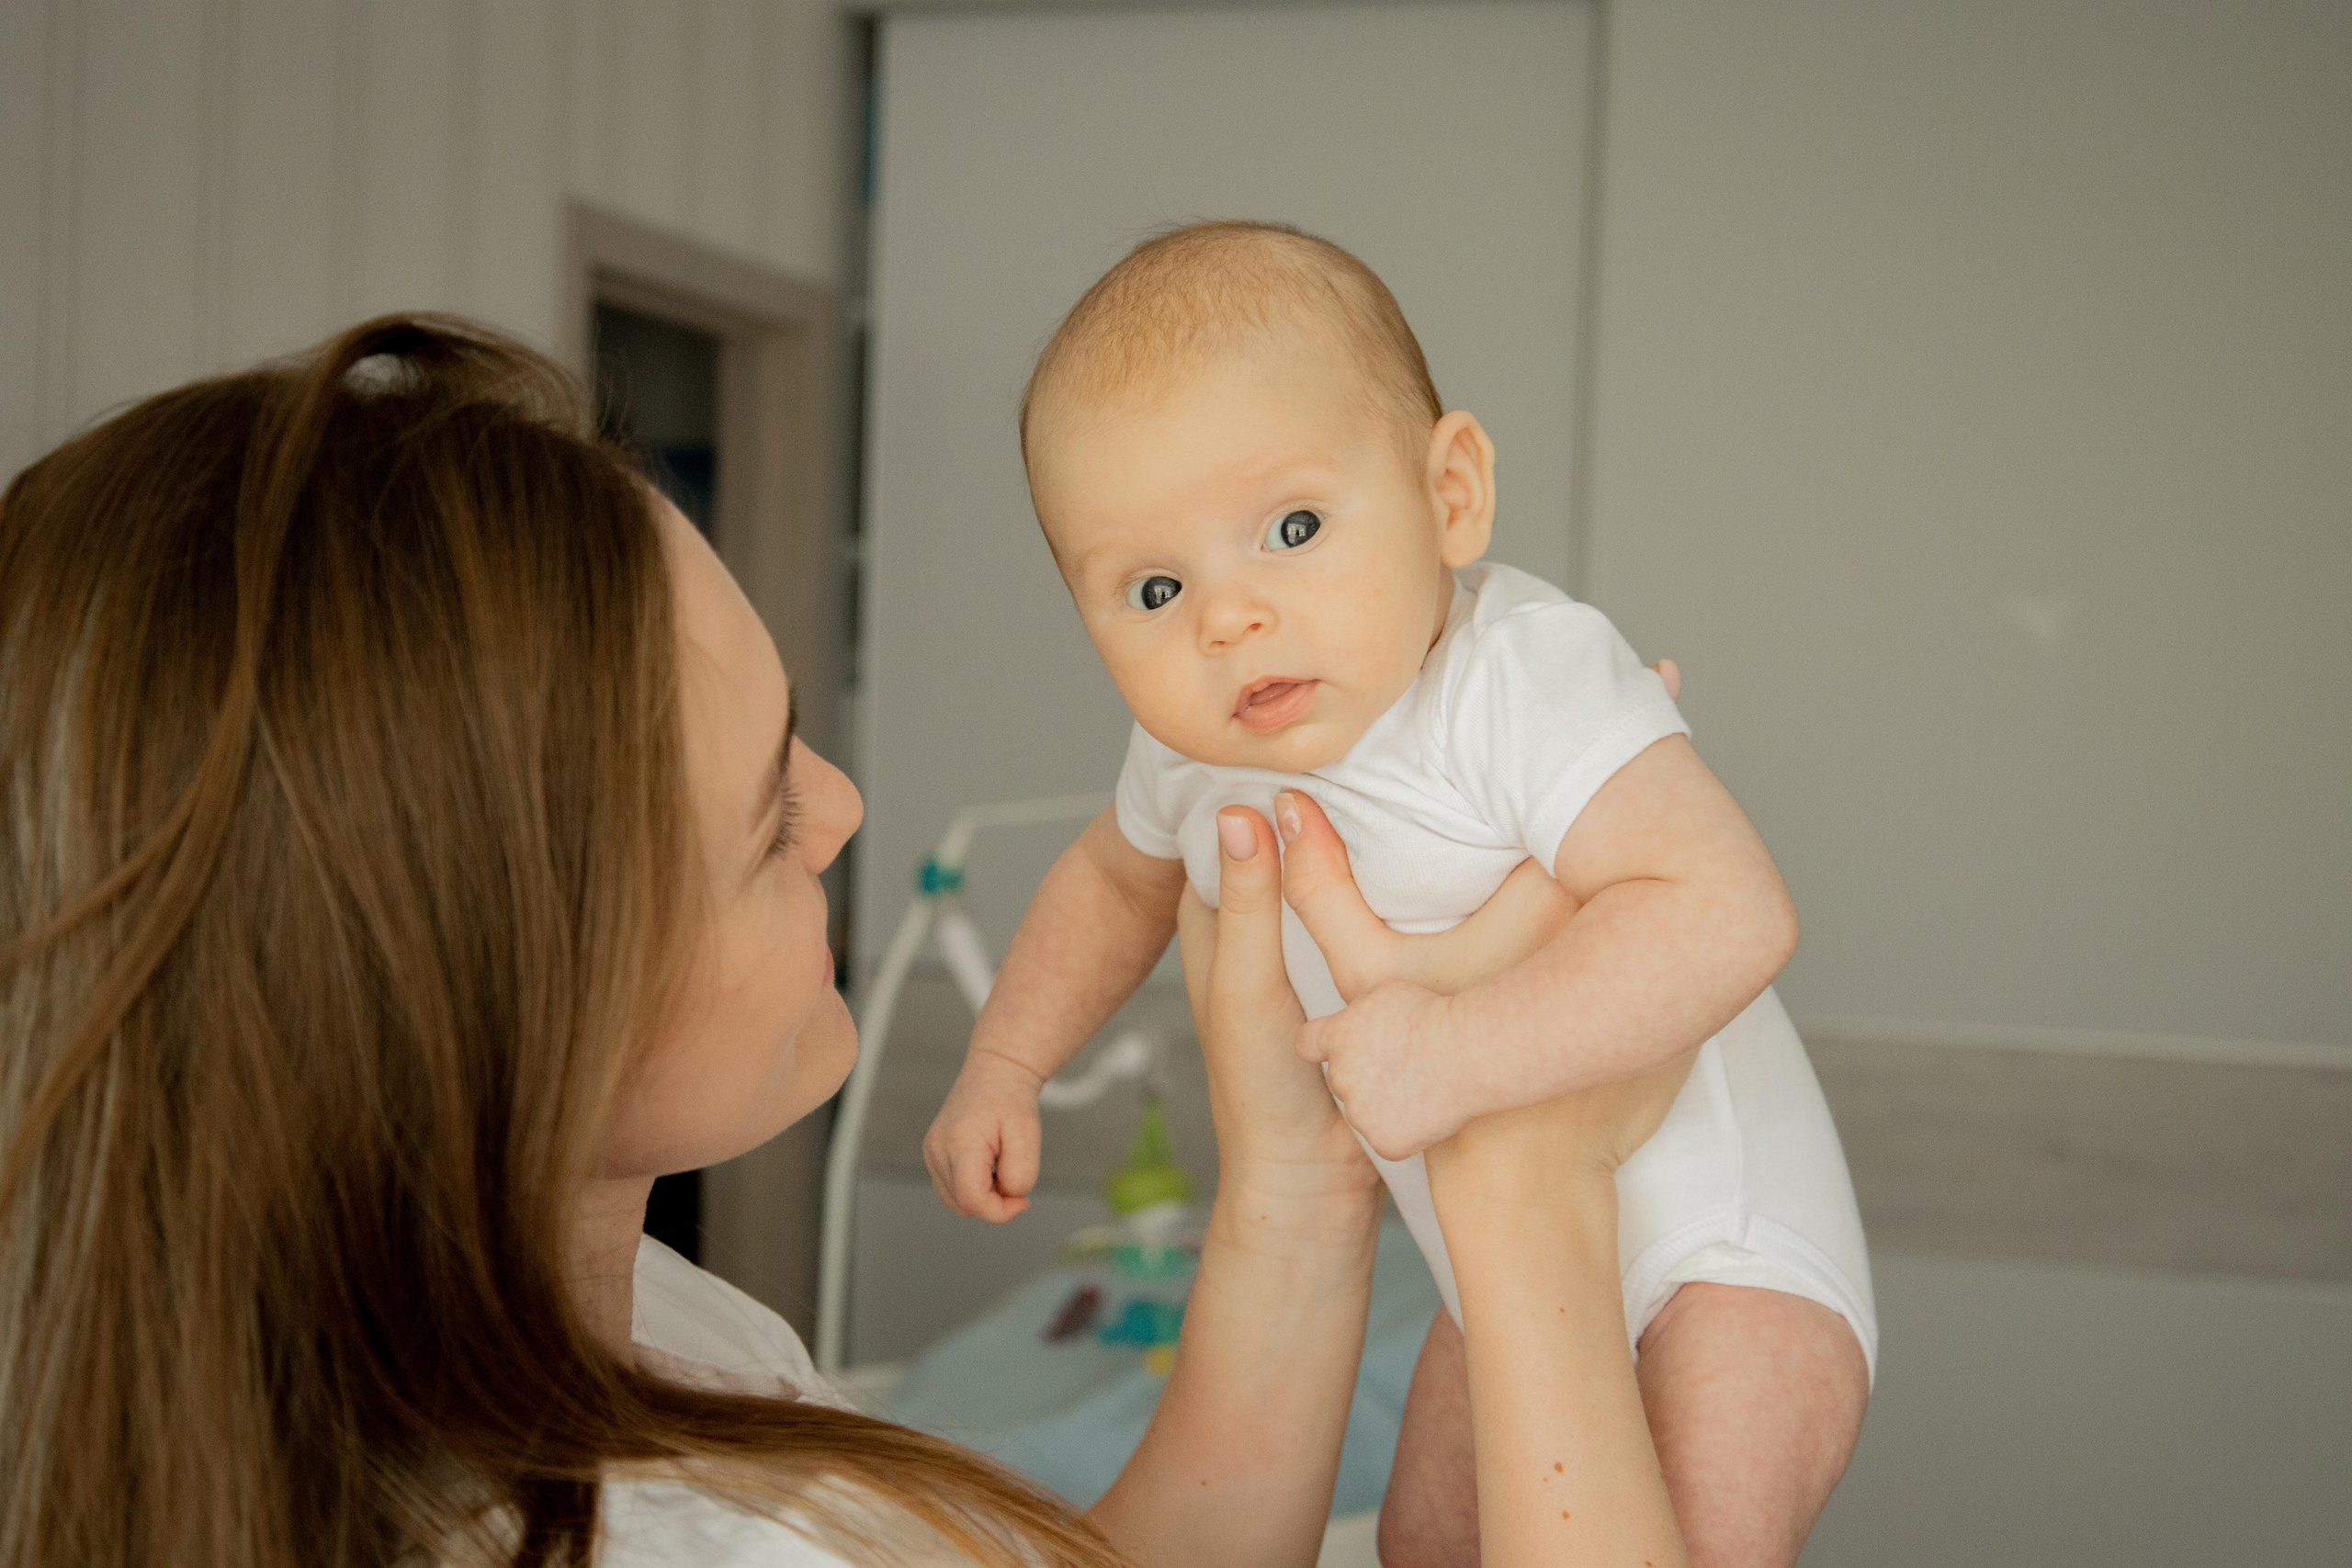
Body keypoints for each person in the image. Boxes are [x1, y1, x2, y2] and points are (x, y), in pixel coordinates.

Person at [0, 315, 1691, 1568]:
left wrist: (1304, 1189)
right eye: (759, 817)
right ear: (499, 991)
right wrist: (1526, 1185)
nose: (842, 806)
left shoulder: (650, 1335)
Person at [924, 220, 1875, 1567]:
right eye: (1152, 586)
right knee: (1424, 1547)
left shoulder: (1521, 676)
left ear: (1451, 494)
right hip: (1497, 1269)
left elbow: (1730, 910)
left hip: (1723, 1254)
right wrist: (1007, 1060)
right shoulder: (1195, 752)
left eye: (1292, 528)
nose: (1227, 618)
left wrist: (1459, 1051)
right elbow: (1109, 882)